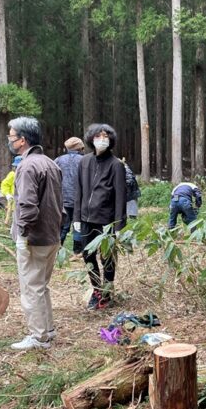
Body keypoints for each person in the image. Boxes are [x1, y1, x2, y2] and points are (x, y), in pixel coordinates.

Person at [7, 117, 63, 350]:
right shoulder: (50, 163)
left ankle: (39, 337)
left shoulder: (27, 166)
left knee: (31, 287)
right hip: (51, 235)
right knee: (41, 285)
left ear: (22, 140)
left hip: (35, 238)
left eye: (11, 136)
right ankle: (47, 330)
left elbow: (28, 206)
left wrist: (22, 235)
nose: (9, 141)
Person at [73, 124, 127, 310]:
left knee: (108, 258)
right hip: (86, 219)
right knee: (88, 256)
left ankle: (107, 292)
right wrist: (76, 219)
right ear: (91, 139)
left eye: (105, 136)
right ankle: (96, 292)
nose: (102, 139)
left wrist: (119, 226)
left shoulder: (116, 165)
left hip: (107, 221)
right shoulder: (84, 162)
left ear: (111, 140)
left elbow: (121, 197)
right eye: (98, 136)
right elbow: (78, 191)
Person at [54, 137, 84, 254]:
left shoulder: (58, 160)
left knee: (63, 225)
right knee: (79, 224)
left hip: (62, 199)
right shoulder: (85, 160)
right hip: (80, 199)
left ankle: (57, 249)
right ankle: (78, 251)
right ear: (81, 148)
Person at [0, 156, 22, 226]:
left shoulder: (28, 174)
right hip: (15, 204)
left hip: (24, 204)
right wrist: (7, 194)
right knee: (16, 222)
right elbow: (5, 184)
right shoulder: (12, 174)